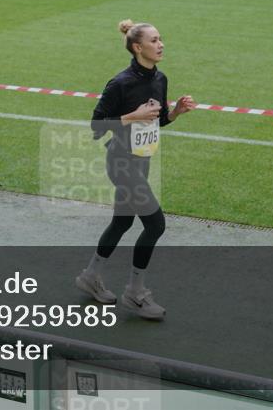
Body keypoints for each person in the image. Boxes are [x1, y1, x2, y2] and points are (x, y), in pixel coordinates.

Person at [75, 20, 197, 320]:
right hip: (121, 163)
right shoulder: (119, 83)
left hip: (142, 162)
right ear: (137, 47)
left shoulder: (160, 79)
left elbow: (156, 121)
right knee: (155, 225)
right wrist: (132, 115)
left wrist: (175, 113)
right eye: (154, 40)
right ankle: (135, 293)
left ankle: (91, 276)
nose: (161, 44)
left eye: (161, 38)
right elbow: (96, 126)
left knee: (122, 223)